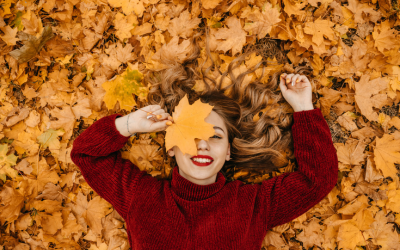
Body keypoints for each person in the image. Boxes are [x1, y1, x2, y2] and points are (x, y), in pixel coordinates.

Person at [70, 32, 338, 249]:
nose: (202, 144)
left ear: (229, 152)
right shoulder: (141, 197)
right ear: (171, 147)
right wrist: (130, 124)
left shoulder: (253, 205)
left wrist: (303, 107)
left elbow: (316, 180)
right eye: (192, 134)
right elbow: (86, 155)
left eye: (216, 137)